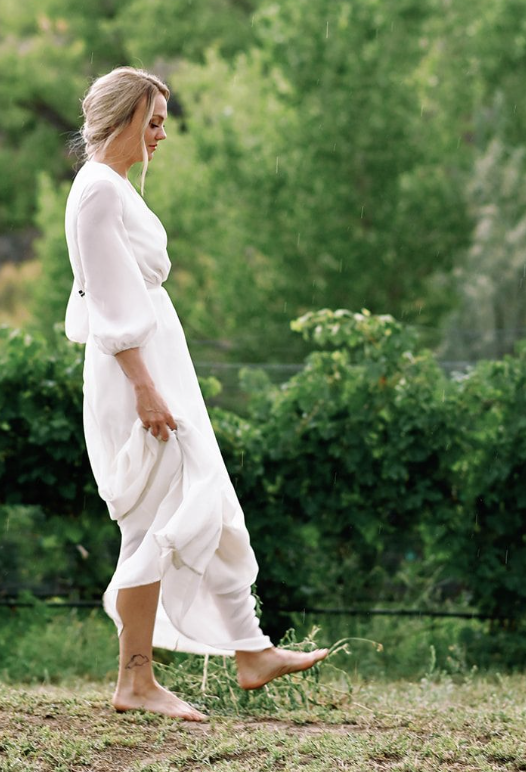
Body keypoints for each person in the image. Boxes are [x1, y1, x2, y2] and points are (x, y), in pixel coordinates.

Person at [64, 67, 328, 721]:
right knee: (152, 520)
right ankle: (135, 682)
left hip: (157, 365)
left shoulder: (112, 188)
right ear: (125, 118)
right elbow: (107, 304)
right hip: (136, 377)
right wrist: (146, 391)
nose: (161, 135)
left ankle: (249, 650)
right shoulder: (97, 191)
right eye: (153, 121)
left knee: (207, 497)